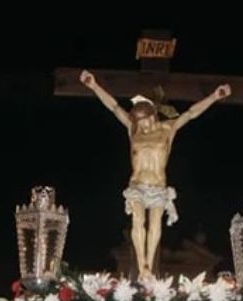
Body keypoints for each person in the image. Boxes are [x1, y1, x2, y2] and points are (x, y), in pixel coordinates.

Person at [79, 69, 231, 277]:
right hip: (137, 184)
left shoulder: (167, 130)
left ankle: (149, 265)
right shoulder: (133, 131)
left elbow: (190, 114)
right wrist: (94, 86)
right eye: (140, 124)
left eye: (147, 122)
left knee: (155, 225)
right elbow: (114, 107)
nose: (144, 127)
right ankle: (143, 267)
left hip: (158, 186)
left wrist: (214, 96)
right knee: (138, 221)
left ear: (153, 115)